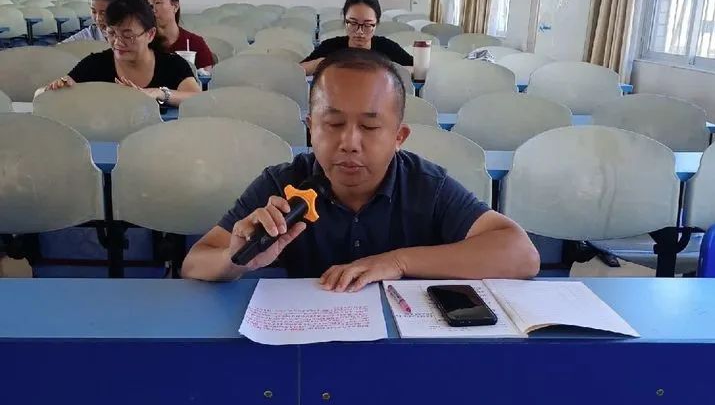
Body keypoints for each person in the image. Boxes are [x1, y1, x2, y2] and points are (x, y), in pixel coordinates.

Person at [182, 48, 539, 290]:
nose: (349, 142)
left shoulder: (426, 186)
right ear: (310, 128)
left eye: (369, 127)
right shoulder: (283, 186)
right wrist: (237, 260)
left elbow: (521, 254)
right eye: (333, 124)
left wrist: (398, 262)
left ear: (399, 137)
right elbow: (195, 262)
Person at [40, 0, 201, 106]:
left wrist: (158, 93)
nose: (117, 42)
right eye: (111, 33)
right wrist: (56, 88)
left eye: (128, 35)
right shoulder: (95, 64)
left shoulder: (173, 64)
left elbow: (197, 98)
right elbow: (40, 95)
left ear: (150, 34)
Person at [300, 0, 413, 75]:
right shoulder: (330, 47)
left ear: (377, 23)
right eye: (353, 23)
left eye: (367, 25)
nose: (359, 31)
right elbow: (299, 70)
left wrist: (391, 68)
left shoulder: (387, 47)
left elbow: (416, 69)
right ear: (345, 21)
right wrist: (319, 64)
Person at [142, 0, 214, 70]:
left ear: (175, 6)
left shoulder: (195, 43)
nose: (152, 9)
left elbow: (206, 76)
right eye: (146, 4)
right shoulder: (142, 42)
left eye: (157, 2)